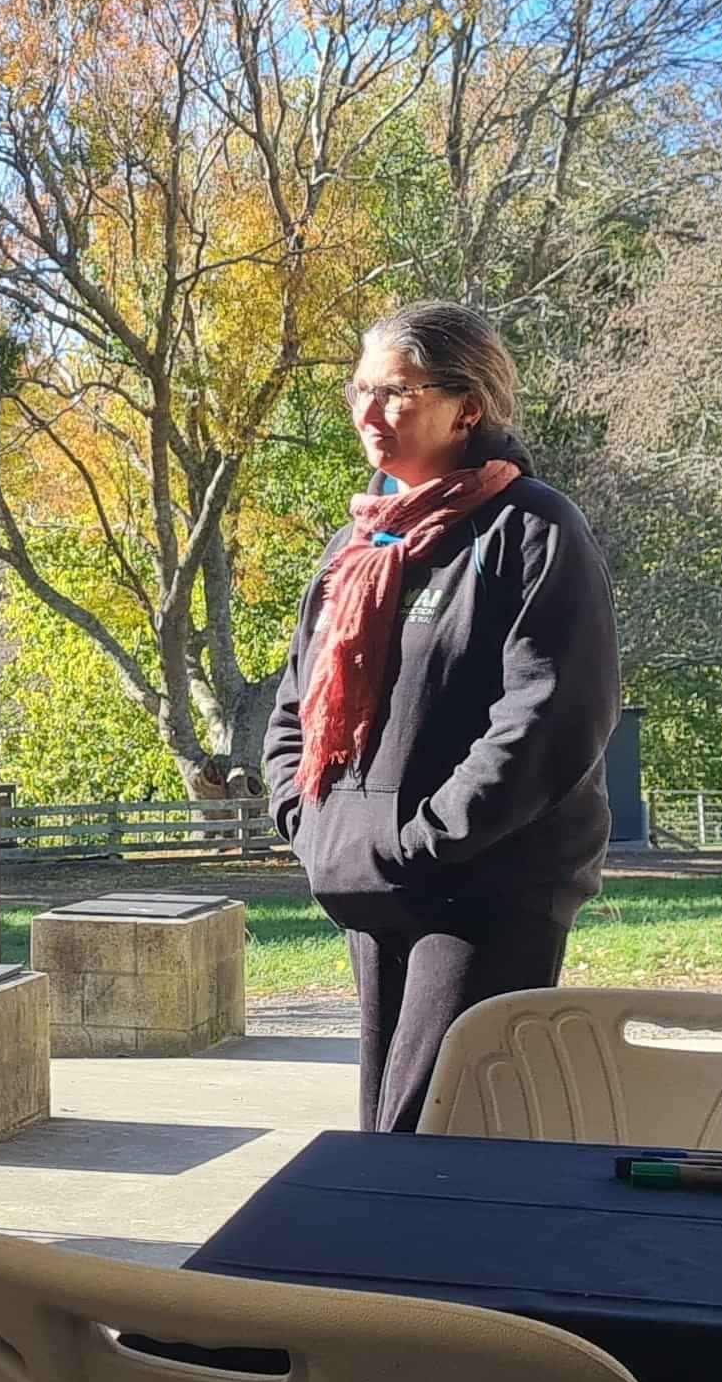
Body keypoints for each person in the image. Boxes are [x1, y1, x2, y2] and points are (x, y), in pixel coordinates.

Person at [261, 300, 622, 1133]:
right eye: (359, 391)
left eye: (396, 392)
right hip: (371, 880)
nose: (368, 414)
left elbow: (549, 718)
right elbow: (293, 706)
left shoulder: (531, 529)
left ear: (469, 406)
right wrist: (312, 825)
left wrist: (423, 839)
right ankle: (384, 1266)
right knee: (389, 1129)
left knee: (439, 1125)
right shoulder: (359, 546)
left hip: (485, 888)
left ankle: (428, 1267)